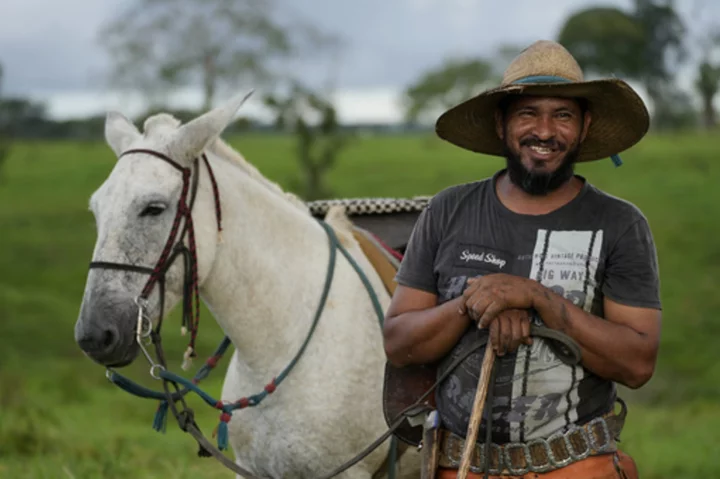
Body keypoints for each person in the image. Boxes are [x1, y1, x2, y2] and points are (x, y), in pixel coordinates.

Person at [382, 40, 662, 479]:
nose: (545, 131)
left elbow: (638, 362)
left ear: (585, 126)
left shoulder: (620, 224)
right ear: (501, 123)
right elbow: (399, 343)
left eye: (563, 115)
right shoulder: (448, 210)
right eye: (528, 113)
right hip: (461, 466)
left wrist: (537, 299)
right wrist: (476, 303)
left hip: (579, 467)